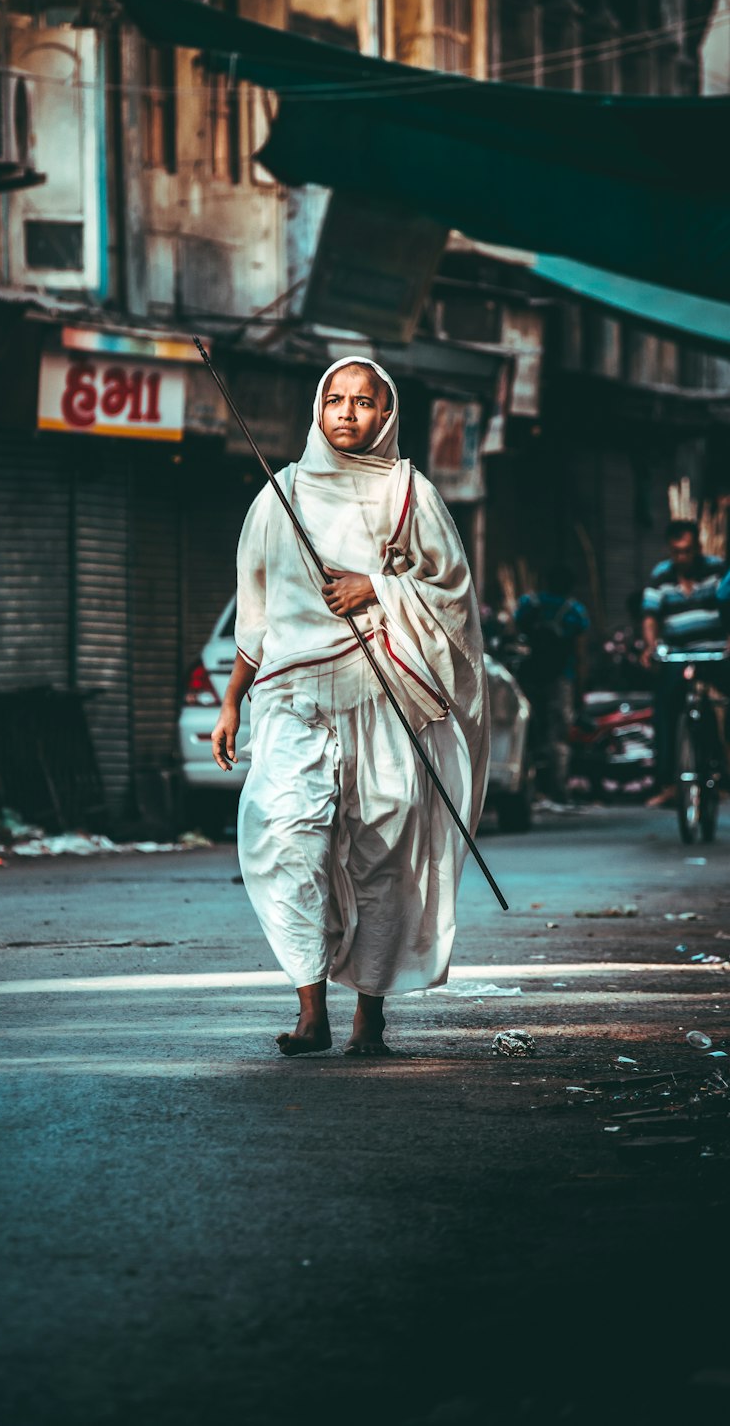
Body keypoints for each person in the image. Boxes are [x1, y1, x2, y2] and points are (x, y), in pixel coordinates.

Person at [211, 357, 489, 1057]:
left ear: (386, 412)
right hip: (293, 698)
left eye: (363, 402)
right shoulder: (280, 495)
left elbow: (454, 596)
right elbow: (256, 617)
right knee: (287, 837)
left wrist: (378, 589)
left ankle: (371, 1015)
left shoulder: (410, 495)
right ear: (317, 406)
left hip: (385, 700)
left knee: (382, 855)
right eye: (334, 399)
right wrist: (231, 702)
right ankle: (311, 1008)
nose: (346, 412)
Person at [641, 519, 729, 807]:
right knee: (665, 706)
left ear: (698, 549)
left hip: (716, 652)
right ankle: (668, 780)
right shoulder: (661, 576)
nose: (682, 558)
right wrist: (651, 646)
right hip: (678, 653)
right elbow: (651, 616)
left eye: (688, 551)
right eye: (677, 552)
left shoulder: (716, 569)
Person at [514, 568, 589, 804]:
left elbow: (514, 634)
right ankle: (558, 789)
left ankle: (531, 787)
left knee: (528, 731)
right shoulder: (574, 611)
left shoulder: (529, 604)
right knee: (558, 735)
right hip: (561, 678)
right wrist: (580, 688)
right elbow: (580, 652)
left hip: (529, 676)